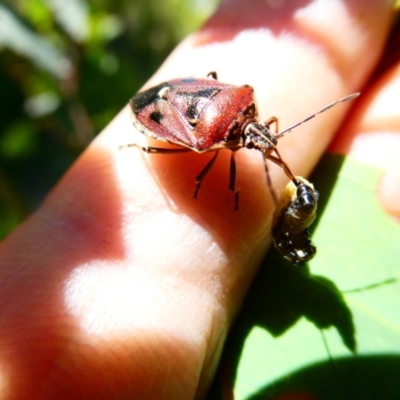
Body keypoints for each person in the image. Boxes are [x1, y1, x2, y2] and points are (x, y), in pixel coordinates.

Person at [0, 0, 397, 398]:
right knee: (199, 157)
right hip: (182, 120)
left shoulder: (248, 106)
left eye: (263, 136)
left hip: (203, 102)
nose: (263, 142)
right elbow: (218, 161)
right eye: (255, 140)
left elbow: (258, 134)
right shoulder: (214, 139)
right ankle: (147, 150)